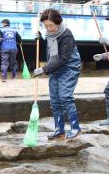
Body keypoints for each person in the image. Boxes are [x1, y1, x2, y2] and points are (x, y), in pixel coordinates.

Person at [34, 8, 82, 139]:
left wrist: (44, 69)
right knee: (55, 100)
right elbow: (50, 51)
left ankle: (75, 127)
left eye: (51, 25)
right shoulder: (49, 34)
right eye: (46, 26)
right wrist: (41, 40)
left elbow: (63, 58)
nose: (49, 29)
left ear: (58, 22)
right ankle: (59, 130)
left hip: (69, 68)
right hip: (55, 69)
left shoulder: (66, 35)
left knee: (65, 97)